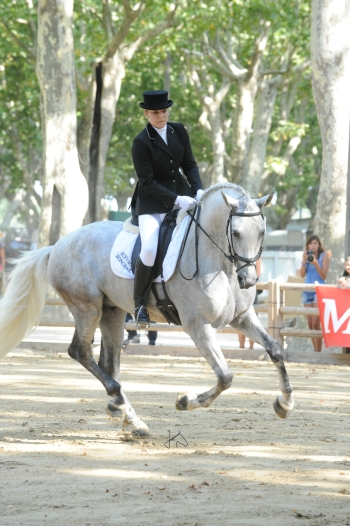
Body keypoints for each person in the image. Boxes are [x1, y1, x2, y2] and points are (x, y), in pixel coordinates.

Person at [130, 90, 203, 327]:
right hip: (152, 203)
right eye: (155, 112)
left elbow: (190, 164)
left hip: (183, 195)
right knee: (150, 248)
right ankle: (139, 303)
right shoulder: (141, 142)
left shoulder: (179, 130)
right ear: (146, 114)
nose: (161, 115)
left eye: (164, 111)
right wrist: (177, 200)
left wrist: (198, 189)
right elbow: (147, 182)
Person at [300, 234, 329, 352]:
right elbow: (301, 275)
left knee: (316, 322)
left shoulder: (324, 256)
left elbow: (324, 275)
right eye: (311, 243)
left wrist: (316, 264)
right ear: (307, 245)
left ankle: (318, 352)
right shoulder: (306, 256)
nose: (313, 245)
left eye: (315, 243)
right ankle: (315, 350)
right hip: (307, 291)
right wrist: (303, 261)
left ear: (319, 244)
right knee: (310, 323)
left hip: (319, 290)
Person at [238, 259, 261, 349]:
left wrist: (249, 279)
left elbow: (258, 273)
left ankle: (251, 348)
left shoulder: (257, 257)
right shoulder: (240, 254)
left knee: (253, 321)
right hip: (241, 289)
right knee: (240, 320)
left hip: (251, 289)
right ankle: (241, 347)